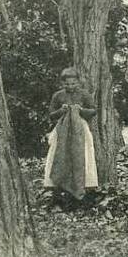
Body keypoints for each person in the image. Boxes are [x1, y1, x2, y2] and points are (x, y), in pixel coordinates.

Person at [43, 67, 99, 206]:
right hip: (62, 131)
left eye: (73, 83)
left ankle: (83, 194)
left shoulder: (84, 94)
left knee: (82, 157)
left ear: (78, 82)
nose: (70, 86)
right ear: (62, 83)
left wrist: (81, 111)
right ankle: (58, 193)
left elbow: (93, 111)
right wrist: (61, 111)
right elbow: (51, 115)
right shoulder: (58, 95)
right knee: (59, 156)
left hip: (80, 131)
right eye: (67, 84)